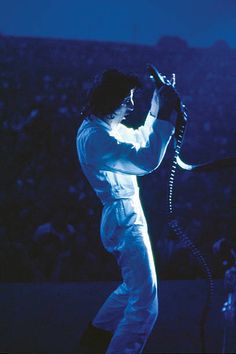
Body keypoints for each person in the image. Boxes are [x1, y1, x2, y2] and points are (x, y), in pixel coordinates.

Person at [76, 69, 179, 353]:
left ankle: (94, 341)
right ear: (109, 101)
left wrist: (158, 108)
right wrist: (164, 116)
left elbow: (140, 139)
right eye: (127, 100)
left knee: (132, 289)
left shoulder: (104, 128)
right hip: (124, 219)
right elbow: (146, 160)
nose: (132, 106)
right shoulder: (94, 138)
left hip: (125, 216)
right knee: (146, 305)